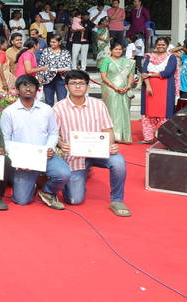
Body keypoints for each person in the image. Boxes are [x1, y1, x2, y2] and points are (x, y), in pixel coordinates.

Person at [54, 70, 130, 217]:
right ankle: (78, 181)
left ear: (88, 87)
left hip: (98, 152)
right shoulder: (58, 109)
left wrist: (110, 145)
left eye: (81, 83)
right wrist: (62, 145)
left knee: (119, 161)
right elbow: (54, 135)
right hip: (74, 157)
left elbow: (107, 129)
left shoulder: (99, 105)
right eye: (73, 83)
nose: (77, 86)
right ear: (66, 87)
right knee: (74, 200)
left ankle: (116, 199)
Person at [0, 74, 71, 209]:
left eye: (32, 86)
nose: (28, 89)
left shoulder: (46, 109)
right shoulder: (9, 112)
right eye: (24, 86)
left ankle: (47, 192)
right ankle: (30, 184)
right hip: (23, 160)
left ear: (37, 89)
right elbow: (5, 139)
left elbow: (53, 132)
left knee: (64, 174)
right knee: (21, 200)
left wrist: (50, 148)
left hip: (44, 155)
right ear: (17, 89)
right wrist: (19, 159)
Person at [139, 36, 178, 144]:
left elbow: (167, 72)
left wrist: (150, 74)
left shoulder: (171, 57)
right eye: (159, 44)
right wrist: (148, 83)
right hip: (148, 87)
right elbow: (144, 72)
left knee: (165, 112)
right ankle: (148, 138)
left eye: (163, 45)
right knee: (148, 113)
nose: (161, 46)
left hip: (165, 88)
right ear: (156, 45)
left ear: (167, 46)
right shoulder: (149, 56)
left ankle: (163, 138)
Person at [99, 40, 137, 144]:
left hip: (124, 89)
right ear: (111, 50)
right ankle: (112, 136)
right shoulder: (106, 61)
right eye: (116, 49)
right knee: (112, 111)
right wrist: (114, 87)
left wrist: (129, 85)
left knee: (124, 110)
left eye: (120, 49)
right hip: (110, 89)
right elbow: (103, 76)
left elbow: (131, 75)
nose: (118, 51)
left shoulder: (128, 62)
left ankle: (123, 136)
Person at [40, 35, 72, 105]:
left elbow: (69, 65)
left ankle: (61, 115)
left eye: (54, 42)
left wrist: (64, 70)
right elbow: (41, 64)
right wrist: (40, 77)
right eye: (51, 42)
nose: (52, 43)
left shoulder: (65, 52)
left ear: (59, 42)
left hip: (61, 78)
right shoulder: (46, 51)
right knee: (48, 101)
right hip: (47, 78)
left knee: (62, 101)